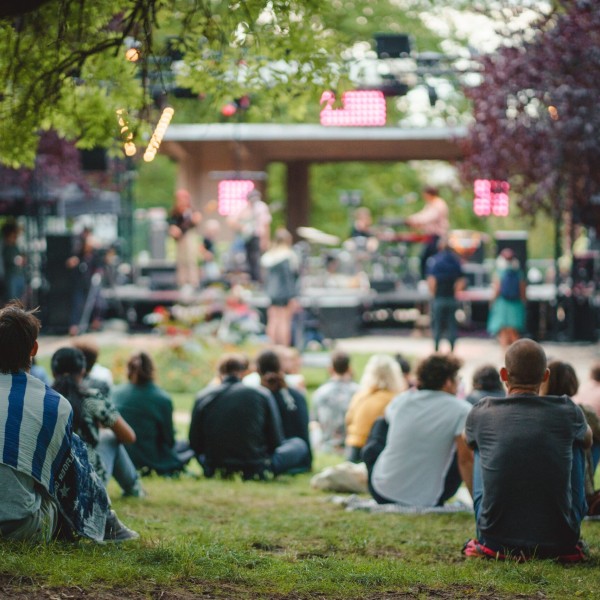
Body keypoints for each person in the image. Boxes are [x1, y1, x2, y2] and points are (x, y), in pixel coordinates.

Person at [0, 301, 137, 543]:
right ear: (34, 349)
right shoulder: (54, 404)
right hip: (20, 526)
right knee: (73, 449)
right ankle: (106, 521)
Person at [463, 339, 591, 561]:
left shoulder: (482, 411)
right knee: (578, 441)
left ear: (504, 375)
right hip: (561, 539)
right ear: (545, 376)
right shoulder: (568, 410)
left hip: (494, 539)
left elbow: (466, 440)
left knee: (479, 443)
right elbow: (589, 440)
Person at [368, 353, 472, 507]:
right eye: (457, 379)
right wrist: (477, 502)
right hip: (428, 498)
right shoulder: (462, 410)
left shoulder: (401, 400)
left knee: (381, 423)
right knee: (464, 443)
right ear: (447, 382)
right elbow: (465, 460)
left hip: (381, 491)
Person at [189, 353, 310, 479]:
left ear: (219, 373)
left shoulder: (203, 396)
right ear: (245, 372)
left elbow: (194, 442)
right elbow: (275, 441)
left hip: (214, 466)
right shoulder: (261, 394)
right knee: (298, 444)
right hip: (255, 467)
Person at [51, 347, 145, 498]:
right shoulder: (91, 399)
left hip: (50, 481)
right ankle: (134, 489)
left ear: (53, 371)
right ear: (83, 370)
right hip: (86, 482)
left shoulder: (44, 397)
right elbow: (129, 436)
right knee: (109, 437)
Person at [112, 352, 194, 476]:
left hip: (120, 457)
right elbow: (169, 440)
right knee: (186, 446)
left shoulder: (115, 393)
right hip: (152, 459)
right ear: (152, 370)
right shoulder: (162, 398)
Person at [256, 349, 312, 472]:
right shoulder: (296, 395)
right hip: (300, 457)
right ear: (280, 368)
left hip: (270, 455)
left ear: (258, 370)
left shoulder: (258, 397)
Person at [345, 354, 406, 463]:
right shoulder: (396, 400)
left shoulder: (359, 396)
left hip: (353, 450)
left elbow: (348, 421)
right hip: (377, 453)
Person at [311, 351, 360, 454]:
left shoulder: (320, 393)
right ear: (349, 368)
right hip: (350, 444)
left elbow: (314, 422)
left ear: (330, 369)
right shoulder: (358, 392)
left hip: (325, 445)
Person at [426, 238, 467, 352]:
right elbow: (461, 280)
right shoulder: (456, 261)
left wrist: (433, 294)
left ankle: (436, 349)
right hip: (451, 297)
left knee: (437, 324)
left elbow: (432, 280)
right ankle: (452, 350)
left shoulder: (435, 261)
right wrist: (455, 291)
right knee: (451, 325)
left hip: (439, 297)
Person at [260, 228, 299, 347]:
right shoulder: (287, 256)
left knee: (272, 320)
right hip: (284, 293)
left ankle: (271, 347)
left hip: (272, 292)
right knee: (284, 321)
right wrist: (293, 296)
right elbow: (289, 278)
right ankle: (283, 348)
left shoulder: (269, 256)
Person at [65, 227, 106, 336]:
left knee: (98, 302)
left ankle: (95, 322)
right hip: (80, 283)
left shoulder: (95, 255)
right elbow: (70, 262)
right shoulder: (78, 253)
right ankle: (74, 326)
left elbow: (101, 266)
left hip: (91, 284)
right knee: (77, 304)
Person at [405, 186, 449, 279]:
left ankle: (429, 280)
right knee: (426, 259)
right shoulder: (431, 204)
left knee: (428, 259)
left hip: (437, 236)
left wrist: (413, 220)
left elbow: (428, 217)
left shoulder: (438, 204)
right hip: (431, 236)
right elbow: (423, 214)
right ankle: (428, 280)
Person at [487, 248, 527, 349]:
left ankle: (504, 354)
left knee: (503, 331)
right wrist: (524, 302)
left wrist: (492, 301)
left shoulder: (499, 272)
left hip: (502, 304)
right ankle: (517, 353)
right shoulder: (519, 272)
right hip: (516, 304)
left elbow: (497, 288)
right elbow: (523, 289)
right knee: (514, 332)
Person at [229, 189, 272, 283]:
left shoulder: (262, 207)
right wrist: (243, 227)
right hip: (247, 238)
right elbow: (232, 221)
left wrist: (265, 240)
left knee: (257, 259)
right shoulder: (245, 208)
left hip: (258, 237)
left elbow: (266, 224)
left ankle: (258, 280)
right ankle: (253, 280)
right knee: (249, 260)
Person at [168, 188, 202, 290]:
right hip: (180, 238)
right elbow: (171, 223)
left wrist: (196, 220)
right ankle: (182, 282)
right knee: (181, 260)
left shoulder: (191, 211)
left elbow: (194, 222)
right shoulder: (175, 212)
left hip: (189, 235)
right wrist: (173, 229)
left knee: (191, 259)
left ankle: (193, 282)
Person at [1, 221, 25, 302]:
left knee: (18, 301)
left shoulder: (16, 246)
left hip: (19, 275)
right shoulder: (5, 247)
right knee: (12, 301)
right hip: (11, 277)